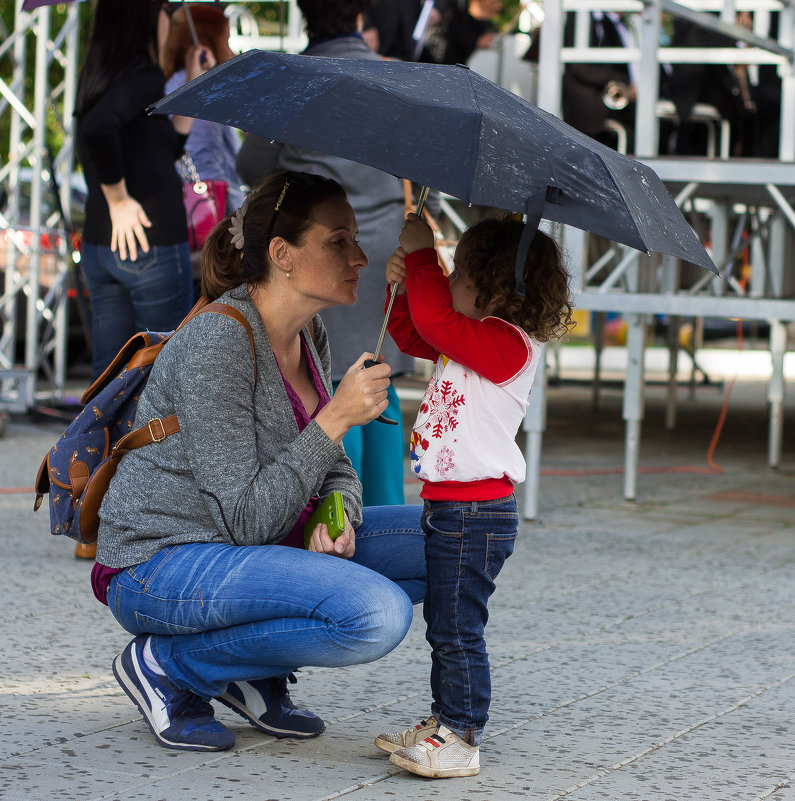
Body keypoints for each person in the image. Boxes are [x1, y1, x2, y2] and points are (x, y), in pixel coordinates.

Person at [91, 171, 426, 753]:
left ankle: (246, 669)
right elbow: (246, 520)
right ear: (282, 254)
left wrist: (338, 511)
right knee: (376, 614)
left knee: (452, 535)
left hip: (249, 547)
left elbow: (337, 472)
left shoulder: (308, 332)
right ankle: (170, 663)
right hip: (161, 561)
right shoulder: (218, 342)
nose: (362, 257)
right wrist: (334, 419)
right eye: (338, 241)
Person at [375, 212, 572, 778]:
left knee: (457, 627)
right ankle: (443, 722)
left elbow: (436, 323)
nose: (450, 279)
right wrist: (406, 282)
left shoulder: (508, 344)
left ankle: (460, 733)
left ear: (494, 287)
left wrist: (421, 258)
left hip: (475, 513)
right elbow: (417, 331)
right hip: (452, 507)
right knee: (446, 621)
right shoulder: (471, 340)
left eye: (459, 272)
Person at [236, 0, 415, 507]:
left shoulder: (293, 82)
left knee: (332, 381)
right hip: (385, 253)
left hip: (322, 250)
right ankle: (386, 511)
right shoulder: (392, 81)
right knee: (381, 374)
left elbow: (251, 165)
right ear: (361, 17)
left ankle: (342, 516)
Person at [74, 0, 213, 559]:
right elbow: (98, 133)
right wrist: (120, 198)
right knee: (159, 382)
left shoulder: (107, 77)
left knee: (109, 385)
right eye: (161, 11)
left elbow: (156, 148)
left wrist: (192, 91)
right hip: (148, 248)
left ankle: (92, 518)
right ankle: (142, 522)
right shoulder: (139, 75)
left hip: (106, 250)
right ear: (144, 19)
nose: (168, 20)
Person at [161, 4, 246, 214]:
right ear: (207, 43)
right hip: (208, 207)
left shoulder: (174, 82)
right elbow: (203, 159)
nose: (232, 51)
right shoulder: (199, 89)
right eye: (226, 40)